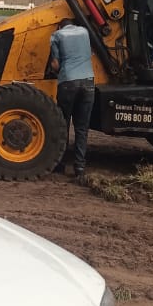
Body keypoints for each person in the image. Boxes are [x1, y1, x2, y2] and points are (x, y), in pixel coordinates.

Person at [50, 17, 95, 184]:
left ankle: (60, 163)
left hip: (68, 82)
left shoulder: (56, 35)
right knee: (82, 128)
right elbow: (89, 53)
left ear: (59, 26)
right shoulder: (84, 32)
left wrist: (54, 70)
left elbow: (55, 64)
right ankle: (80, 168)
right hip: (88, 82)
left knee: (63, 124)